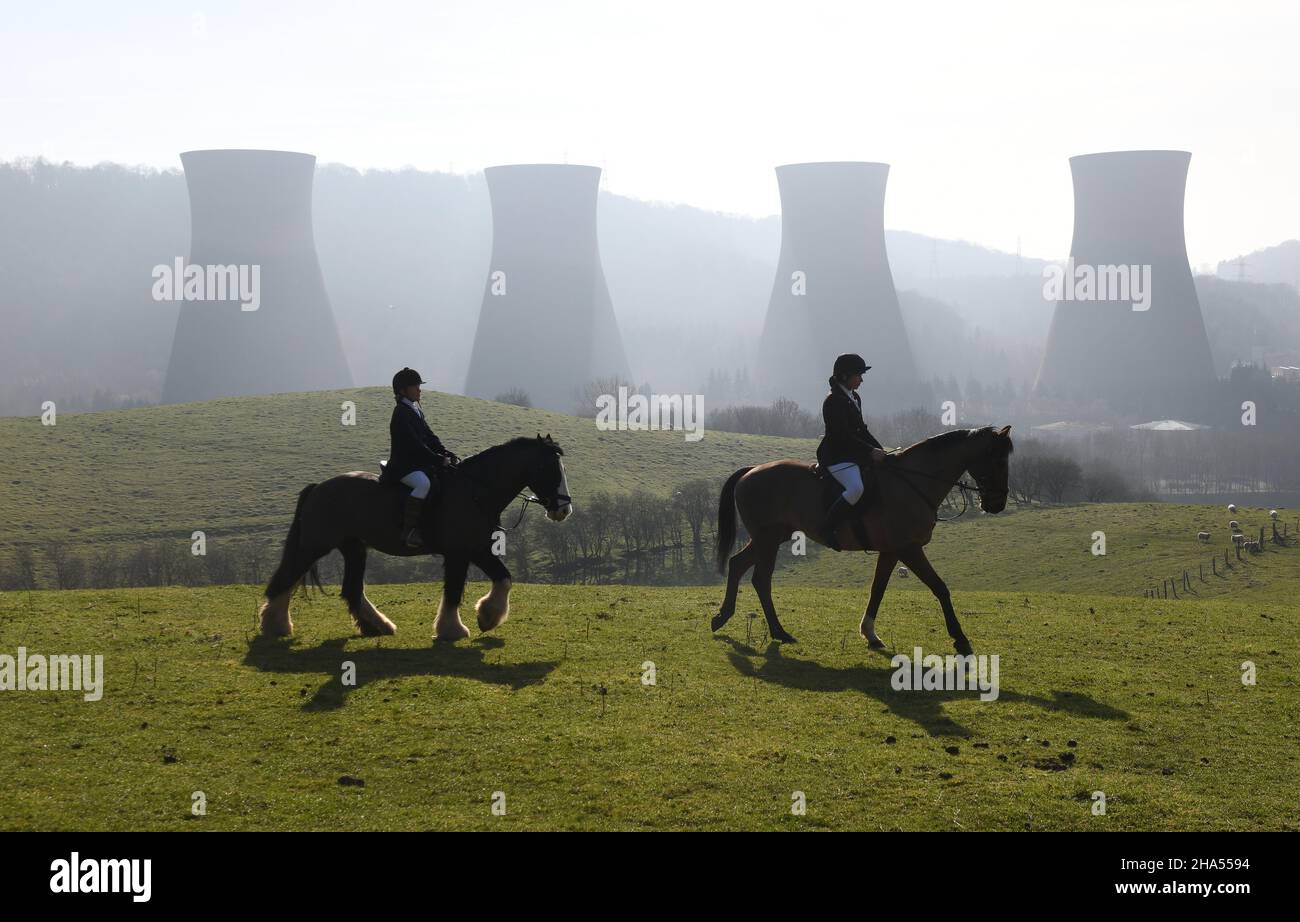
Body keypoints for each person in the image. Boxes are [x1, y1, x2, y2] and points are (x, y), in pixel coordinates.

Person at [816, 353, 886, 551]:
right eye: (858, 375)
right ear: (845, 376)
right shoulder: (832, 401)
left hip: (854, 454)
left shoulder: (854, 397)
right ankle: (828, 528)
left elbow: (862, 431)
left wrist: (881, 450)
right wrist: (870, 451)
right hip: (836, 456)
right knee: (856, 488)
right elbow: (842, 436)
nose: (862, 379)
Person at [383, 367, 459, 547]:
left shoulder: (414, 410)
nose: (419, 389)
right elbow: (415, 445)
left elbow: (429, 436)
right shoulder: (401, 413)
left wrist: (444, 451)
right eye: (415, 386)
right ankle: (409, 531)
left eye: (418, 385)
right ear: (402, 391)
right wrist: (437, 459)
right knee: (423, 484)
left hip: (418, 464)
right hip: (404, 467)